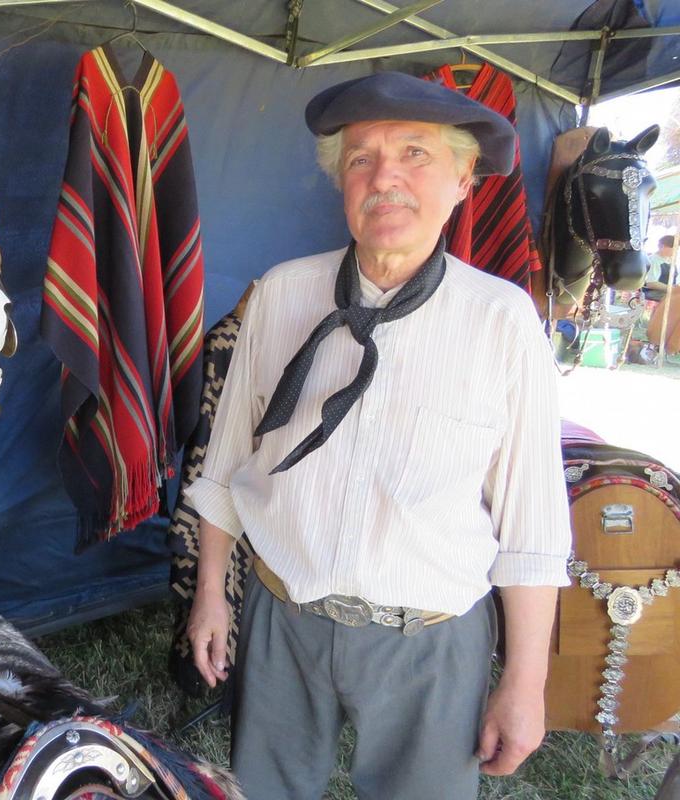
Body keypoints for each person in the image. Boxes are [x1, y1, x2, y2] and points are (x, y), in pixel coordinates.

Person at [184, 71, 572, 800]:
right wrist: (213, 593)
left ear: (463, 179)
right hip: (282, 622)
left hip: (429, 641)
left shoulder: (503, 320)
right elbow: (227, 460)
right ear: (341, 183)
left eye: (415, 155)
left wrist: (524, 682)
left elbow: (534, 528)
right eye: (362, 158)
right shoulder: (280, 293)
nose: (384, 178)